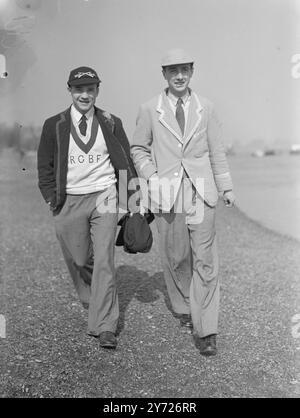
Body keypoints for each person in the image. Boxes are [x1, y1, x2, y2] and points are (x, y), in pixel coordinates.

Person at [131, 49, 235, 356]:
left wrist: (226, 187)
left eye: (185, 70)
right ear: (164, 74)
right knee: (176, 257)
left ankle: (207, 329)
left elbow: (217, 151)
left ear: (192, 72)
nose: (179, 76)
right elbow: (139, 148)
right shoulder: (150, 108)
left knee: (205, 260)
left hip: (202, 193)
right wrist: (152, 176)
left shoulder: (207, 107)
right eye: (173, 70)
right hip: (168, 193)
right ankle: (188, 308)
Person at [37, 66, 138, 349]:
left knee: (104, 259)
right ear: (70, 91)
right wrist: (50, 198)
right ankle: (93, 298)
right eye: (79, 89)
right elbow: (44, 167)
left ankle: (105, 325)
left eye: (90, 89)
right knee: (81, 260)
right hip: (68, 200)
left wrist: (132, 202)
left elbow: (125, 162)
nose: (85, 95)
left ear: (97, 91)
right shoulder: (53, 124)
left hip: (104, 197)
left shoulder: (111, 122)